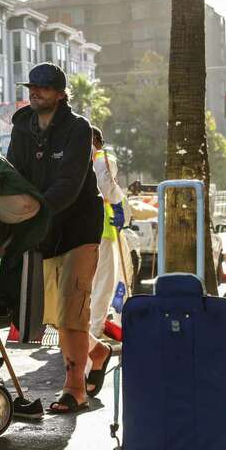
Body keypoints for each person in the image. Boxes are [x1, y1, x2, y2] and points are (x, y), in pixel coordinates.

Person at [7, 63, 111, 414]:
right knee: (55, 315)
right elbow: (14, 172)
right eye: (32, 87)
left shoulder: (77, 129)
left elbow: (69, 184)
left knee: (71, 308)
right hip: (42, 230)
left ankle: (74, 388)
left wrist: (34, 210)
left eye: (44, 88)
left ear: (61, 94)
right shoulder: (23, 125)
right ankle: (97, 352)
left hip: (79, 228)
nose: (35, 92)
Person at [88, 126, 130, 338]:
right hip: (103, 227)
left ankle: (85, 331)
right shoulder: (102, 158)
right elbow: (106, 184)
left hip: (83, 229)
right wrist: (118, 201)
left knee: (87, 283)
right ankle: (94, 333)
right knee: (103, 283)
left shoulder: (74, 159)